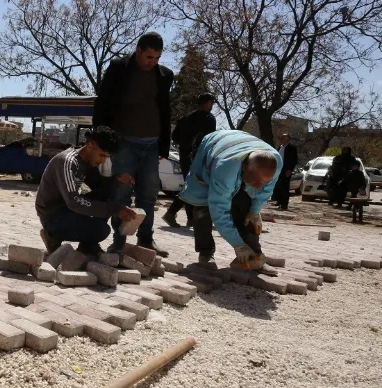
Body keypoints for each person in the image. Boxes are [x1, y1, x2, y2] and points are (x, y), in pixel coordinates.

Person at [93, 32, 174, 257]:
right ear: (138, 50)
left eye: (157, 58)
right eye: (149, 57)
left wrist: (163, 147)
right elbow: (102, 104)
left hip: (152, 144)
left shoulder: (165, 75)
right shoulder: (118, 68)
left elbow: (165, 110)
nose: (152, 62)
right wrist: (102, 140)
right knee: (121, 192)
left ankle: (146, 239)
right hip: (124, 142)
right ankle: (118, 240)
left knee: (148, 194)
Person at [178, 130, 281, 270]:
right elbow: (219, 211)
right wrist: (237, 244)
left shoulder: (275, 161)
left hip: (238, 147)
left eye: (263, 182)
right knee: (203, 208)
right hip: (213, 146)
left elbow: (266, 190)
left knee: (247, 207)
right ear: (245, 168)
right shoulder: (225, 169)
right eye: (256, 180)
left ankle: (254, 256)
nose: (259, 186)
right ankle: (206, 253)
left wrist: (255, 211)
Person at [36, 126, 137, 256]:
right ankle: (52, 236)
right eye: (101, 155)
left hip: (68, 211)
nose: (103, 161)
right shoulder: (67, 161)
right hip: (53, 217)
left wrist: (117, 180)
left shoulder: (87, 161)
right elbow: (73, 201)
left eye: (107, 157)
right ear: (90, 146)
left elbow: (99, 186)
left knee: (107, 191)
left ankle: (88, 245)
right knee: (101, 230)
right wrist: (115, 209)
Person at [162, 92, 217, 228]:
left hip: (184, 156)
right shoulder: (209, 118)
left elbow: (175, 137)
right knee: (193, 186)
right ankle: (172, 213)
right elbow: (210, 140)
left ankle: (190, 218)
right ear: (208, 103)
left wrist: (185, 144)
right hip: (199, 157)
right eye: (212, 103)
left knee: (190, 184)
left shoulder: (185, 118)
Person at [272, 133, 298, 210]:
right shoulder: (280, 147)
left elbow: (294, 160)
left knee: (284, 187)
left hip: (286, 170)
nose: (281, 139)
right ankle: (279, 201)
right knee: (278, 186)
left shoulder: (291, 148)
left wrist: (290, 169)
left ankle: (284, 204)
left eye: (283, 138)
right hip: (278, 169)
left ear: (287, 139)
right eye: (281, 138)